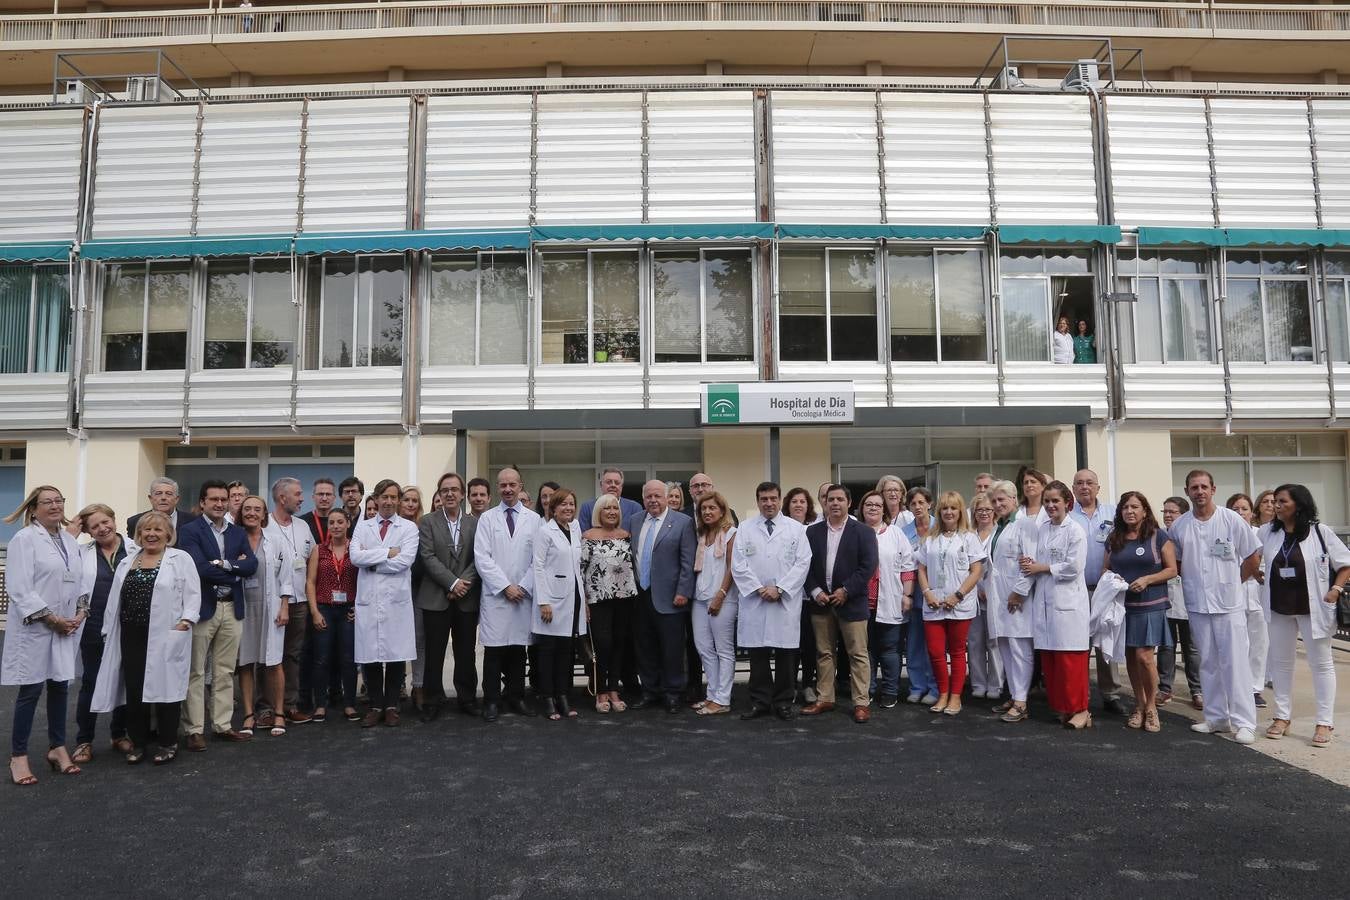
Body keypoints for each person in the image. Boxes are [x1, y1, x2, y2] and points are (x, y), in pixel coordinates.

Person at [91, 512, 200, 766]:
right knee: (135, 690)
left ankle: (167, 743)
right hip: (131, 634)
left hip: (167, 633)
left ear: (168, 534)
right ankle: (138, 743)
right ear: (138, 535)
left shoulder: (180, 559)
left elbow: (193, 594)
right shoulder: (128, 562)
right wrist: (108, 630)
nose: (151, 534)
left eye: (158, 530)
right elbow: (114, 602)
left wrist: (186, 621)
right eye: (146, 530)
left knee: (167, 690)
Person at [1171, 470, 1262, 744]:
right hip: (1198, 604)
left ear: (1213, 489)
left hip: (1229, 604)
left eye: (1203, 487)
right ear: (1187, 491)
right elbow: (1175, 562)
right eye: (1194, 487)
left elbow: (1252, 557)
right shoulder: (1180, 526)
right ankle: (1216, 718)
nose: (1199, 492)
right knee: (1208, 663)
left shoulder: (1231, 520)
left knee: (1234, 663)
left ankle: (1244, 722)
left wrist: (1234, 582)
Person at [3, 486, 85, 785]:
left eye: (59, 501)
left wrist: (80, 612)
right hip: (36, 628)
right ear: (33, 509)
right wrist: (52, 619)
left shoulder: (69, 540)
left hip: (65, 626)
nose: (55, 506)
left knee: (61, 687)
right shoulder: (25, 540)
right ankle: (19, 756)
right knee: (31, 691)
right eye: (47, 502)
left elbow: (81, 580)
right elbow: (19, 589)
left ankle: (57, 748)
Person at [1259, 484, 1349, 748]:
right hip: (1279, 607)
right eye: (1274, 501)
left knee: (1321, 664)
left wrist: (1336, 589)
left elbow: (1345, 563)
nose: (1276, 506)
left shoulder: (1321, 532)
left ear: (1298, 504)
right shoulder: (1268, 532)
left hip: (1313, 607)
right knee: (1281, 663)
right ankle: (1282, 717)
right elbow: (1249, 553)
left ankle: (1324, 721)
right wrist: (1254, 573)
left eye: (1282, 501)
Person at [178, 479, 258, 751]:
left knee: (225, 671)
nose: (219, 504)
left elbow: (252, 566)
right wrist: (235, 568)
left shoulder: (237, 533)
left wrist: (225, 566)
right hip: (203, 608)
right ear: (203, 502)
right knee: (196, 671)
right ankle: (194, 729)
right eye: (213, 499)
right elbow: (199, 568)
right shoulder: (190, 531)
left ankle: (222, 725)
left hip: (231, 607)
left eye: (223, 499)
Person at [1010, 481, 1092, 729]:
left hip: (1067, 603)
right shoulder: (1043, 528)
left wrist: (1041, 567)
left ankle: (1081, 710)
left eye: (1055, 501)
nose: (1050, 505)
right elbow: (1034, 557)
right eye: (1047, 501)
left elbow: (1074, 567)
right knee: (1052, 660)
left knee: (1071, 661)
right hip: (1045, 603)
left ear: (1068, 502)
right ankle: (1063, 708)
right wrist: (1028, 561)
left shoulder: (1075, 530)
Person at [732, 481, 811, 721]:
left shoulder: (795, 529)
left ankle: (784, 702)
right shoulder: (745, 528)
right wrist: (758, 588)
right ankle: (760, 701)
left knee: (786, 654)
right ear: (758, 501)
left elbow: (803, 562)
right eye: (764, 499)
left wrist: (780, 588)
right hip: (755, 600)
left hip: (784, 601)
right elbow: (738, 564)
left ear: (780, 500)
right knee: (758, 655)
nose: (769, 503)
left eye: (773, 498)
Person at [802, 484, 880, 724]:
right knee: (824, 653)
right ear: (824, 503)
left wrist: (846, 590)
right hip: (821, 603)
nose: (834, 503)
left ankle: (861, 703)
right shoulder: (811, 533)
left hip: (852, 602)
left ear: (848, 502)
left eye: (839, 499)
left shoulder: (864, 532)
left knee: (857, 654)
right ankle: (825, 697)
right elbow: (804, 565)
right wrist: (815, 591)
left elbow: (868, 566)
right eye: (830, 499)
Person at [1101, 492, 1177, 733]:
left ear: (1145, 510)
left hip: (1150, 605)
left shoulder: (1158, 536)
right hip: (1123, 606)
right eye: (1125, 507)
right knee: (1132, 659)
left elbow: (1172, 570)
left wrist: (1147, 579)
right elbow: (1105, 568)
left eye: (1135, 506)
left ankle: (1153, 707)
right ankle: (1140, 705)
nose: (1130, 511)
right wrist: (1113, 579)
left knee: (1145, 657)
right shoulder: (1115, 538)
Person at [473, 467, 541, 721]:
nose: (508, 489)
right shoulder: (487, 519)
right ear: (498, 487)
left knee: (517, 651)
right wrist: (505, 587)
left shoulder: (534, 520)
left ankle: (516, 697)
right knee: (493, 652)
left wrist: (523, 586)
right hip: (497, 596)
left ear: (520, 486)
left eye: (512, 485)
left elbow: (539, 560)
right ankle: (491, 701)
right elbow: (482, 558)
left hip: (523, 595)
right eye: (503, 485)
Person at [349, 480, 418, 727]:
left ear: (398, 500)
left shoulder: (409, 528)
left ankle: (391, 706)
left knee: (396, 654)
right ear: (376, 499)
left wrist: (372, 560)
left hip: (395, 600)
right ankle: (376, 705)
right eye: (384, 497)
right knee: (371, 655)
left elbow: (405, 561)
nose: (388, 501)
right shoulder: (363, 525)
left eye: (393, 497)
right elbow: (355, 557)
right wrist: (388, 552)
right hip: (369, 599)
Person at [66, 504, 131, 764]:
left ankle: (119, 734)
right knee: (91, 682)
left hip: (129, 625)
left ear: (114, 520)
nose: (102, 528)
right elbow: (61, 566)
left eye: (106, 522)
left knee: (126, 679)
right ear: (88, 532)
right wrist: (71, 533)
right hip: (93, 625)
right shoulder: (80, 553)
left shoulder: (135, 550)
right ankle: (84, 740)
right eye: (94, 527)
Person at [625, 479, 697, 713]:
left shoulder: (683, 522)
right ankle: (650, 691)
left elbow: (688, 562)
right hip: (641, 595)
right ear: (643, 499)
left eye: (658, 496)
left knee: (672, 648)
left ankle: (673, 692)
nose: (653, 500)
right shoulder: (635, 521)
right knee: (644, 646)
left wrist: (683, 592)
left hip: (671, 597)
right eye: (649, 497)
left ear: (667, 498)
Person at [915, 491, 986, 716]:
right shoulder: (930, 539)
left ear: (959, 512)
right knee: (935, 652)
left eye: (953, 508)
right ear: (939, 511)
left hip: (959, 604)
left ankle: (955, 697)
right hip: (934, 603)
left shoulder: (969, 537)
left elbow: (977, 571)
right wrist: (927, 593)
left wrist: (958, 595)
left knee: (956, 652)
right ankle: (942, 693)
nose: (948, 512)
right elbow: (921, 569)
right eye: (944, 508)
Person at [416, 472, 480, 721]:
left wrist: (463, 584)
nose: (450, 494)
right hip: (435, 597)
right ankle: (432, 700)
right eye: (445, 490)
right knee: (434, 652)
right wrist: (452, 582)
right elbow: (427, 557)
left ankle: (467, 699)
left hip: (466, 598)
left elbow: (479, 557)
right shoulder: (427, 522)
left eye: (454, 489)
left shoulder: (475, 523)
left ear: (462, 494)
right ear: (439, 495)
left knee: (466, 652)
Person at [236, 495, 293, 738]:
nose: (251, 513)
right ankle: (249, 714)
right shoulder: (233, 539)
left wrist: (284, 606)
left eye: (257, 509)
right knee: (246, 662)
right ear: (241, 513)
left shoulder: (276, 540)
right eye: (247, 509)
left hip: (271, 607)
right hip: (243, 607)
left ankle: (278, 712)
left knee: (274, 661)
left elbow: (287, 575)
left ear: (264, 514)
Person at [1070, 469, 1124, 716]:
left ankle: (1110, 693)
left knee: (1105, 642)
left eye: (1089, 483)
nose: (1084, 487)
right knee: (1080, 643)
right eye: (1079, 483)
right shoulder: (1068, 517)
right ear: (1073, 488)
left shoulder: (1113, 513)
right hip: (1077, 591)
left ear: (1098, 487)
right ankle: (1080, 694)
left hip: (1105, 590)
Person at [264, 476, 316, 725]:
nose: (302, 498)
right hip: (273, 602)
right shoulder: (265, 527)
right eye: (297, 494)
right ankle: (266, 708)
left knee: (293, 655)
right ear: (282, 497)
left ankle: (290, 705)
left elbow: (311, 558)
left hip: (300, 601)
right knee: (269, 655)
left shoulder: (303, 526)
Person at [531, 489, 587, 720]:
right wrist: (543, 601)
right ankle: (548, 698)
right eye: (563, 505)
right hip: (552, 601)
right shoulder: (545, 532)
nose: (568, 508)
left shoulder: (575, 528)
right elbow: (538, 566)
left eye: (571, 504)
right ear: (553, 509)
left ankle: (563, 695)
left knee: (566, 652)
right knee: (548, 652)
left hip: (573, 598)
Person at [581, 494, 637, 713]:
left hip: (624, 598)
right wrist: (584, 601)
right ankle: (600, 690)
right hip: (598, 599)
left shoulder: (626, 536)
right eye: (607, 509)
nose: (612, 512)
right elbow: (580, 570)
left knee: (619, 643)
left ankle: (614, 689)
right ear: (598, 512)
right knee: (602, 644)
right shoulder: (588, 536)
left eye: (615, 508)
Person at [986, 481, 1037, 722]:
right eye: (994, 501)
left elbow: (1029, 562)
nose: (997, 504)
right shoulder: (999, 527)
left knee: (1019, 650)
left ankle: (1021, 702)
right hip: (1000, 598)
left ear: (1014, 499)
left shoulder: (1024, 525)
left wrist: (1019, 592)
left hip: (1017, 599)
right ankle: (1015, 694)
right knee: (1005, 646)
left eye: (1002, 500)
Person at [860, 489, 915, 709]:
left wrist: (907, 595)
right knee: (867, 650)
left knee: (890, 649)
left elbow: (908, 567)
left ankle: (890, 691)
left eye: (877, 505)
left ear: (884, 510)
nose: (873, 508)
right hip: (862, 603)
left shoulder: (895, 534)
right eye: (868, 504)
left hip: (891, 599)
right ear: (862, 508)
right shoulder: (855, 532)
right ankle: (869, 689)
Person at [306, 507, 360, 722]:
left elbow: (363, 580)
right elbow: (310, 582)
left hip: (348, 609)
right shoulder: (319, 550)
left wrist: (359, 607)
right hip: (324, 608)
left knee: (348, 659)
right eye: (332, 523)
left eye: (340, 522)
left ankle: (350, 704)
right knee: (321, 659)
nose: (336, 526)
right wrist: (314, 612)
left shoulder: (356, 549)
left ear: (348, 524)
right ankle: (320, 704)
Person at [691, 491, 737, 716]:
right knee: (704, 648)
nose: (707, 512)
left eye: (712, 508)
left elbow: (732, 568)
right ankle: (712, 694)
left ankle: (723, 699)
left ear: (722, 510)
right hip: (700, 599)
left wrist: (720, 595)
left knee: (723, 649)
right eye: (703, 509)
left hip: (724, 599)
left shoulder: (731, 533)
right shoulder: (702, 535)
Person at [1157, 496, 1203, 710]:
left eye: (1172, 512)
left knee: (1191, 649)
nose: (1167, 515)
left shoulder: (1191, 534)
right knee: (1166, 646)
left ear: (1183, 514)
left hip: (1189, 599)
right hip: (1165, 598)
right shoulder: (1158, 536)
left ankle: (1197, 690)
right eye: (1165, 511)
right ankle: (1165, 688)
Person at [1227, 492, 1269, 711]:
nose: (1240, 513)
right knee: (1238, 644)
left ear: (1252, 512)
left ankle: (1254, 688)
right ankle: (1237, 687)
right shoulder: (1226, 533)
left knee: (1259, 644)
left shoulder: (1260, 534)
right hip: (1234, 595)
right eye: (1235, 509)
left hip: (1259, 594)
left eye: (1244, 509)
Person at [901, 486, 939, 705]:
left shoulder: (939, 527)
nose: (917, 507)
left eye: (921, 503)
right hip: (913, 592)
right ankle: (917, 686)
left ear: (929, 504)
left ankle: (934, 687)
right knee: (914, 642)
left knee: (933, 644)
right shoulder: (904, 532)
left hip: (936, 592)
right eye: (913, 504)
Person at [967, 492, 1004, 701]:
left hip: (994, 595)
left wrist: (989, 590)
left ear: (994, 512)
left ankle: (996, 684)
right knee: (974, 642)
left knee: (995, 641)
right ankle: (978, 683)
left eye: (988, 509)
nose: (983, 513)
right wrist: (975, 588)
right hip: (972, 595)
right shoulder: (968, 534)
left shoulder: (999, 533)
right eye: (979, 510)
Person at [784, 486, 818, 701]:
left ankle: (807, 685)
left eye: (802, 501)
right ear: (788, 505)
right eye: (794, 501)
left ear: (809, 506)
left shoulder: (815, 529)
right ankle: (789, 686)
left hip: (810, 596)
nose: (798, 505)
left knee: (809, 643)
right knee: (789, 644)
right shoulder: (783, 529)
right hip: (787, 595)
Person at [127, 477, 198, 545]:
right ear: (150, 498)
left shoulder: (192, 521)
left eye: (168, 494)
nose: (163, 498)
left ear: (176, 499)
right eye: (158, 493)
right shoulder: (135, 522)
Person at [579, 468, 644, 534]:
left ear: (621, 486)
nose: (613, 485)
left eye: (617, 483)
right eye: (609, 482)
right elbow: (583, 536)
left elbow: (637, 536)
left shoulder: (635, 508)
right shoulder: (587, 507)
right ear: (601, 485)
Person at [300, 477, 338, 545]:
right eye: (320, 494)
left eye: (328, 494)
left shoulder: (342, 522)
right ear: (313, 497)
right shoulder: (302, 522)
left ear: (334, 498)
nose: (324, 498)